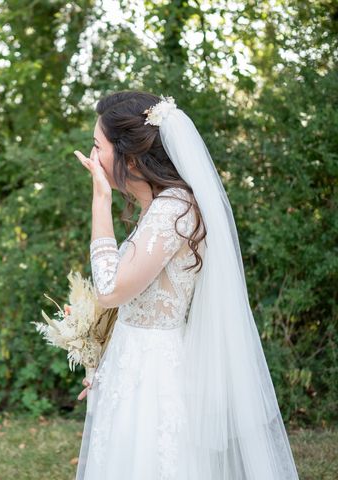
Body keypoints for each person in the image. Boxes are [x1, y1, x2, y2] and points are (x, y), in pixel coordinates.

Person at [73, 91, 299, 479]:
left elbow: (110, 289)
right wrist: (100, 362)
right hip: (132, 363)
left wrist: (100, 199)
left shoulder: (174, 208)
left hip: (154, 375)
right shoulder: (159, 206)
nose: (92, 159)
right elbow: (133, 301)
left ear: (129, 157)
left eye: (97, 146)